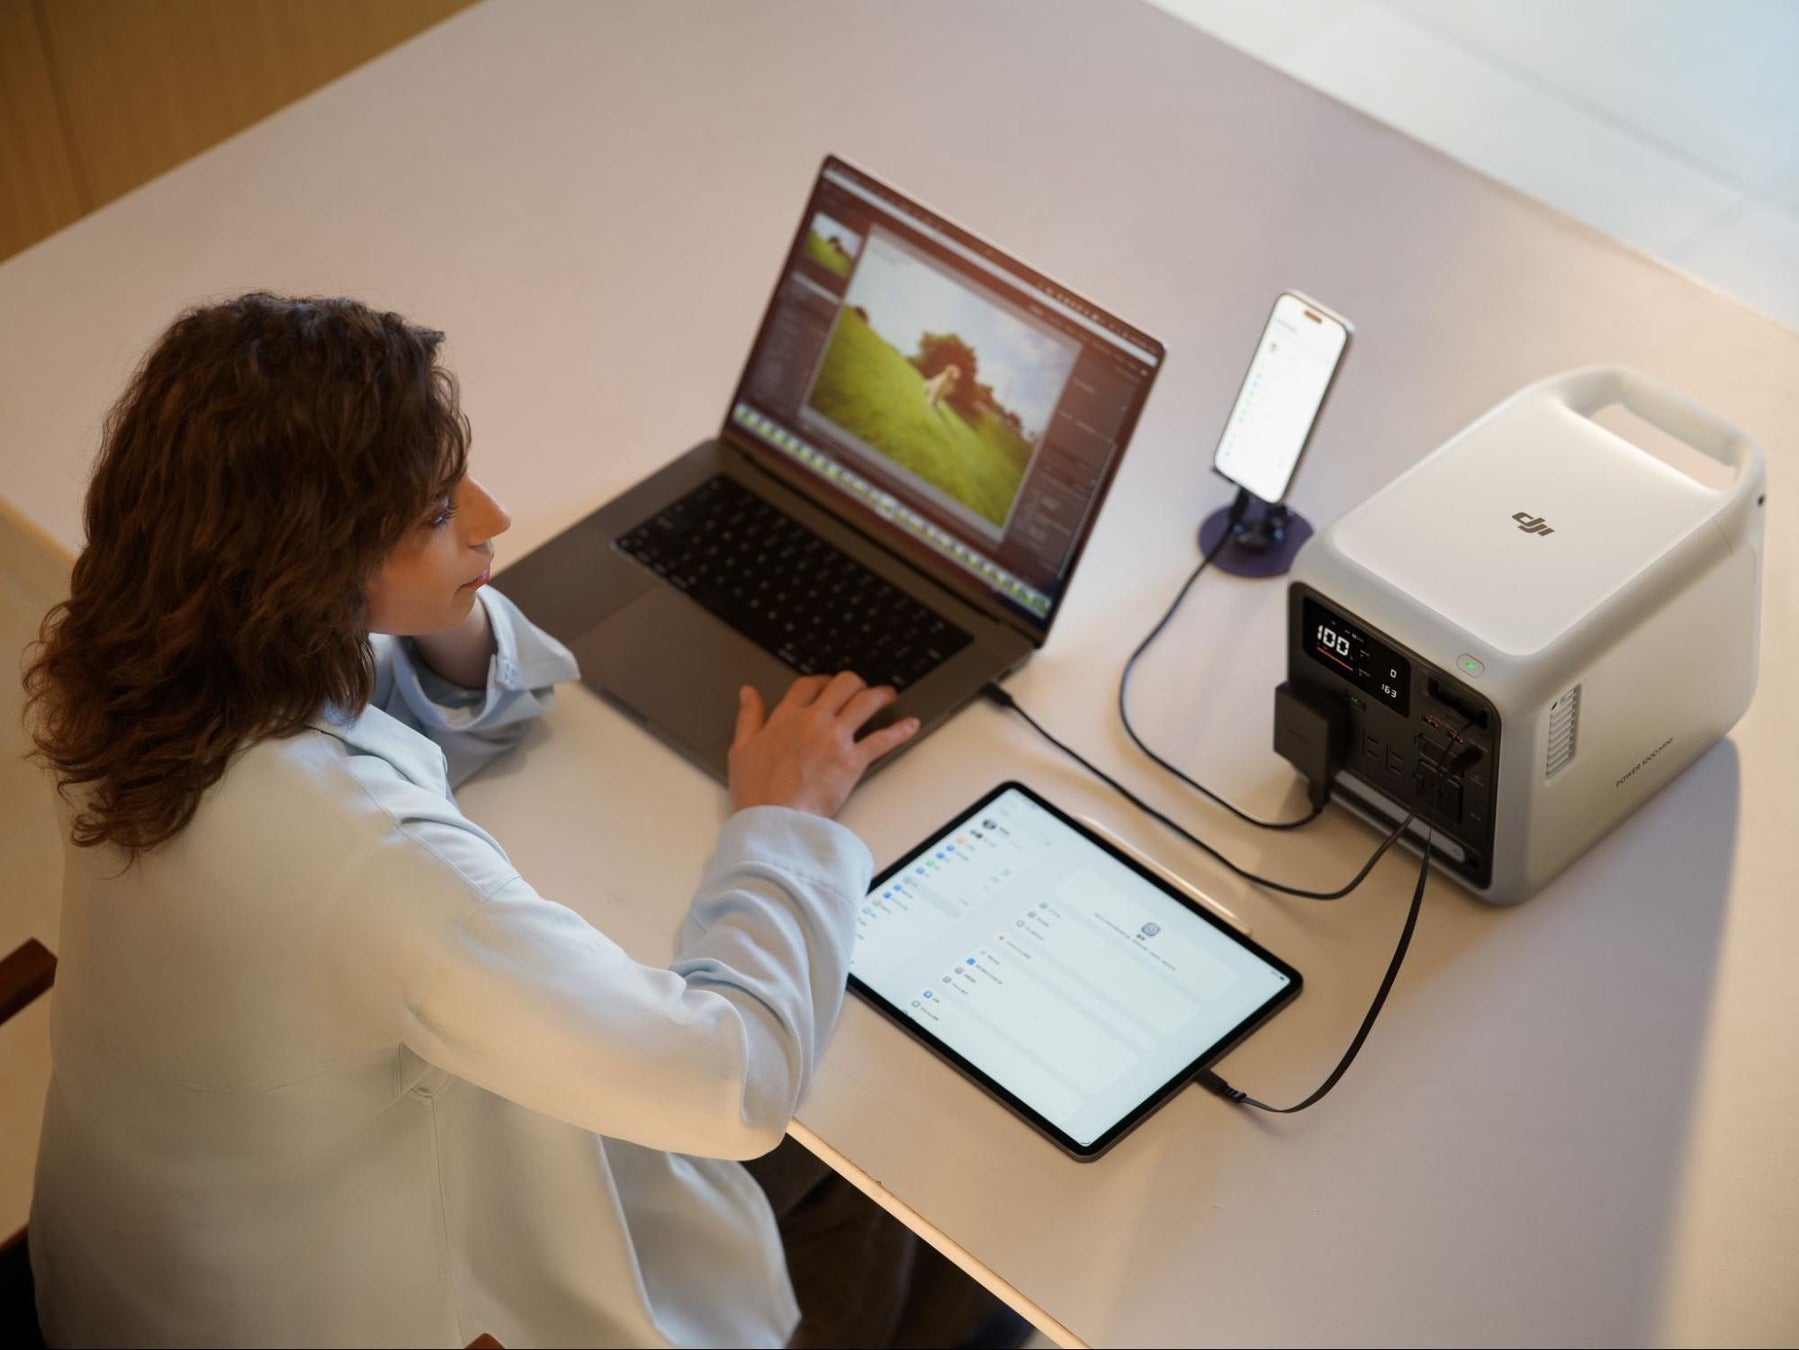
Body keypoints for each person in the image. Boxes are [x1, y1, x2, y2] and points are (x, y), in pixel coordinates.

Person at [23, 293, 1019, 1348]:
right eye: (436, 514)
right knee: (908, 1198)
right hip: (308, 1307)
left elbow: (382, 696)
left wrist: (435, 607)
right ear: (310, 567)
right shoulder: (377, 865)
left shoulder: (134, 653)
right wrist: (785, 825)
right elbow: (733, 1085)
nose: (491, 518)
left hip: (127, 1273)